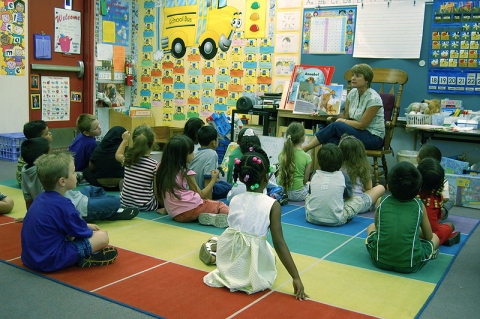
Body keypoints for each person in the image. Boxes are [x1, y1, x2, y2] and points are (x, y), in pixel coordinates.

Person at [203, 147, 308, 300]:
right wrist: (296, 277)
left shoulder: (235, 199)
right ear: (266, 177)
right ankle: (212, 249)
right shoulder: (273, 205)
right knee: (270, 251)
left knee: (219, 239)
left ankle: (212, 250)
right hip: (253, 260)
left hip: (229, 256)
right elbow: (279, 243)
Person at [21, 151, 118, 273]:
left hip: (30, 258)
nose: (76, 175)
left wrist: (86, 226)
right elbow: (80, 232)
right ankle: (82, 257)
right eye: (73, 172)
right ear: (62, 181)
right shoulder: (64, 205)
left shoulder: (40, 198)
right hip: (50, 261)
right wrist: (91, 230)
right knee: (102, 237)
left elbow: (64, 224)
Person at [20, 137, 138, 221]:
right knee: (115, 201)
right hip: (77, 208)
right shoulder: (45, 172)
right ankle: (108, 212)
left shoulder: (25, 170)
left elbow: (28, 198)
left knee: (93, 189)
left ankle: (104, 210)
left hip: (74, 196)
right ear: (44, 156)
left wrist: (29, 215)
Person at [366, 161, 440, 273]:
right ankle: (429, 254)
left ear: (388, 187)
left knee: (371, 227)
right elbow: (429, 236)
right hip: (410, 265)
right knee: (435, 237)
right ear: (418, 190)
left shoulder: (382, 201)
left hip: (379, 260)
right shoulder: (419, 206)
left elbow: (377, 226)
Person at [302, 63, 385, 153]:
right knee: (330, 139)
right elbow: (345, 115)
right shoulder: (353, 93)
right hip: (357, 132)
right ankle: (339, 167)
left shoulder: (374, 99)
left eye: (358, 76)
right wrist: (324, 112)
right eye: (352, 75)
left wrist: (343, 121)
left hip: (373, 137)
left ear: (367, 80)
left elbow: (362, 125)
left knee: (336, 126)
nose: (353, 78)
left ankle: (306, 148)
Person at [154, 135, 229, 227]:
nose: (193, 154)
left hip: (175, 214)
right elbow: (201, 194)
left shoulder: (160, 168)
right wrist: (213, 180)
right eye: (191, 152)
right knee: (221, 205)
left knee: (205, 204)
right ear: (182, 155)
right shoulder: (186, 173)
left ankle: (206, 216)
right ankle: (228, 219)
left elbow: (157, 191)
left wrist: (167, 208)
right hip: (191, 209)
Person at [305, 143, 374, 226]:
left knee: (308, 196)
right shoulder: (343, 176)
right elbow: (348, 196)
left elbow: (311, 194)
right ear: (340, 162)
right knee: (358, 200)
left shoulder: (314, 174)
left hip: (311, 218)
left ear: (319, 161)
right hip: (336, 220)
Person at [116, 125, 163, 213]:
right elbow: (157, 190)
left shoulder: (128, 159)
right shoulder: (154, 165)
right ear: (153, 141)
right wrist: (163, 205)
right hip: (145, 206)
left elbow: (118, 155)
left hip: (125, 203)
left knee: (122, 182)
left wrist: (125, 140)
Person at [417, 158, 460, 246]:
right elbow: (439, 217)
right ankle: (445, 238)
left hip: (408, 232)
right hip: (430, 236)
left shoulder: (410, 191)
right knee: (450, 225)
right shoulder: (437, 196)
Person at [338, 134, 385, 213]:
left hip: (339, 203)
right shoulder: (363, 167)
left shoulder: (337, 166)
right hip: (357, 205)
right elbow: (368, 188)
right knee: (380, 188)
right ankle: (371, 205)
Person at [188, 125, 232, 200]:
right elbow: (207, 180)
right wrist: (210, 204)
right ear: (214, 142)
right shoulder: (212, 154)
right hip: (203, 191)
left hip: (193, 190)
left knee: (226, 185)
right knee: (231, 190)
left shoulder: (196, 152)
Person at [83, 126, 126, 191]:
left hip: (100, 184)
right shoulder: (124, 150)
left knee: (86, 171)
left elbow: (91, 167)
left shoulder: (98, 148)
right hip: (121, 184)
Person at [277, 122, 312, 201]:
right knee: (310, 185)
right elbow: (305, 180)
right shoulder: (307, 157)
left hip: (281, 191)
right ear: (303, 138)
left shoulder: (281, 154)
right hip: (297, 195)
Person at [417, 144, 453, 220]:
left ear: (419, 159)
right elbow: (446, 198)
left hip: (415, 210)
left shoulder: (415, 174)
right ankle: (443, 214)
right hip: (432, 214)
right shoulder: (440, 177)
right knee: (451, 199)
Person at [16, 120, 53, 186]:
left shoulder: (30, 147)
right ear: (38, 139)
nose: (50, 134)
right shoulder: (36, 151)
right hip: (29, 181)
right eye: (46, 134)